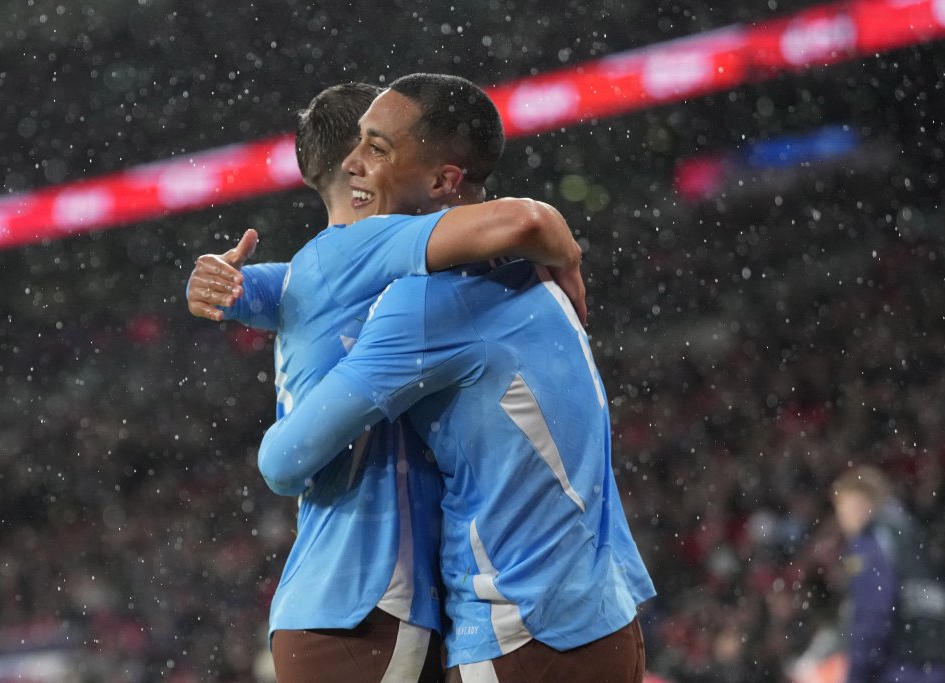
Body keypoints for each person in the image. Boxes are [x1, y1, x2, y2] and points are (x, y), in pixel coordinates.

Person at [258, 73, 656, 682]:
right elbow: (524, 222)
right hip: (603, 616)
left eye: (376, 148)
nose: (354, 163)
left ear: (443, 182)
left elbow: (285, 460)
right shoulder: (531, 267)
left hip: (520, 633)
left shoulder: (426, 305)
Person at [186, 81, 584, 682]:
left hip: (329, 596)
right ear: (360, 168)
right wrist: (565, 250)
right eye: (379, 144)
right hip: (372, 602)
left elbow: (252, 288)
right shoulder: (374, 245)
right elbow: (522, 221)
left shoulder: (307, 273)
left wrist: (209, 282)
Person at [830, 465, 945, 683]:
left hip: (898, 667)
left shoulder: (870, 542)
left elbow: (874, 613)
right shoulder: (913, 535)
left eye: (841, 508)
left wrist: (857, 674)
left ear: (859, 503)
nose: (841, 520)